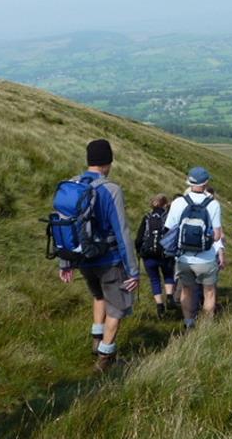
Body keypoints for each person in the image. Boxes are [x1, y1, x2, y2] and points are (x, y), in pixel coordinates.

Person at [58, 139, 139, 372]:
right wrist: (133, 270)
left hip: (83, 260)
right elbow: (122, 231)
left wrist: (66, 262)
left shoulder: (72, 185)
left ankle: (96, 340)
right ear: (108, 161)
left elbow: (64, 226)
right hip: (109, 260)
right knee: (117, 309)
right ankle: (104, 361)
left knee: (98, 297)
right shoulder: (111, 189)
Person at [164, 167, 223, 329]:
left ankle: (189, 322)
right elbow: (217, 236)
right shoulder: (213, 204)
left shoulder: (178, 202)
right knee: (209, 292)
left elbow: (169, 229)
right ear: (206, 183)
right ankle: (206, 325)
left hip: (183, 258)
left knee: (187, 291)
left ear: (189, 182)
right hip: (206, 258)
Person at [135, 194, 176, 317]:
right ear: (165, 204)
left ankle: (159, 305)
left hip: (148, 254)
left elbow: (139, 238)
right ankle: (169, 297)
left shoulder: (146, 217)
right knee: (168, 275)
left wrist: (138, 251)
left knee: (154, 280)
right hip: (165, 254)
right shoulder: (168, 217)